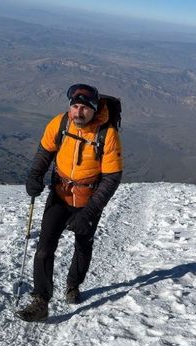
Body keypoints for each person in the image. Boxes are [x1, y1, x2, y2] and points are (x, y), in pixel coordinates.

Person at [16, 83, 123, 322]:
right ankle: (40, 300)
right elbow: (45, 152)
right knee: (45, 247)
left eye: (84, 108)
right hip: (60, 195)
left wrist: (90, 211)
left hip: (88, 201)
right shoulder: (60, 123)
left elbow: (112, 177)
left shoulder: (107, 134)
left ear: (94, 109)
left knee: (83, 246)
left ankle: (73, 285)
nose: (78, 112)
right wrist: (34, 176)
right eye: (74, 106)